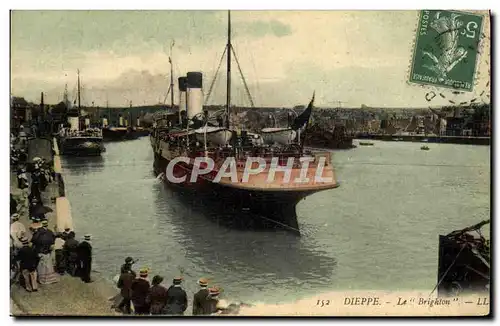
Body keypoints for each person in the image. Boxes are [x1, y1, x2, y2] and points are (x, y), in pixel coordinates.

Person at [33, 220, 59, 284]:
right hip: (47, 251)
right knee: (48, 266)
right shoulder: (50, 232)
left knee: (41, 267)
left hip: (40, 251)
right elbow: (53, 241)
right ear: (47, 225)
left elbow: (34, 241)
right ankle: (50, 279)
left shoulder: (38, 232)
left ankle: (42, 280)